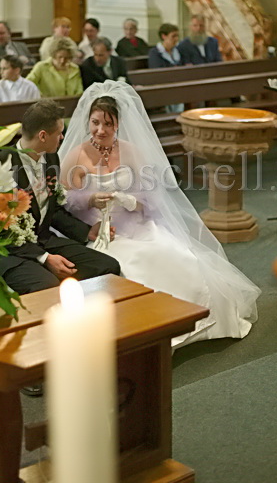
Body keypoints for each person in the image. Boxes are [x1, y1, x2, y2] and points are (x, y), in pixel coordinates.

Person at [59, 81, 260, 349]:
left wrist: (132, 201)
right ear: (88, 121)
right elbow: (65, 201)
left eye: (108, 123)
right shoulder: (76, 154)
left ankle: (190, 320)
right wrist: (90, 198)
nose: (101, 130)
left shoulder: (131, 151)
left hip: (137, 225)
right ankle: (144, 337)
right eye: (95, 122)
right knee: (129, 267)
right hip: (98, 230)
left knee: (178, 257)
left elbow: (154, 197)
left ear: (117, 123)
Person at [0, 99, 120, 296]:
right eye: (59, 133)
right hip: (11, 252)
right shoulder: (1, 164)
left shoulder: (51, 158)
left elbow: (52, 211)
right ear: (43, 136)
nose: (62, 137)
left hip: (44, 239)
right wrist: (44, 258)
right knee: (50, 288)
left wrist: (87, 232)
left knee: (107, 266)